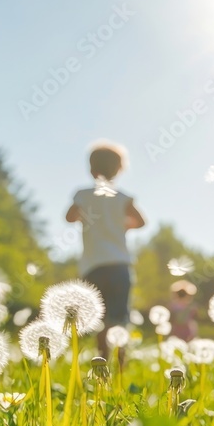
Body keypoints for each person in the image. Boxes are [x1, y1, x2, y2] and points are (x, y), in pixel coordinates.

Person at [66, 140, 146, 357]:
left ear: (91, 169)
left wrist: (87, 217)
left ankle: (101, 367)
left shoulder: (82, 195)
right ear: (119, 170)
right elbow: (141, 221)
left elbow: (69, 217)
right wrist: (122, 225)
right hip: (120, 266)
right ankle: (120, 369)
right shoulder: (123, 198)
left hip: (94, 266)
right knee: (119, 320)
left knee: (99, 321)